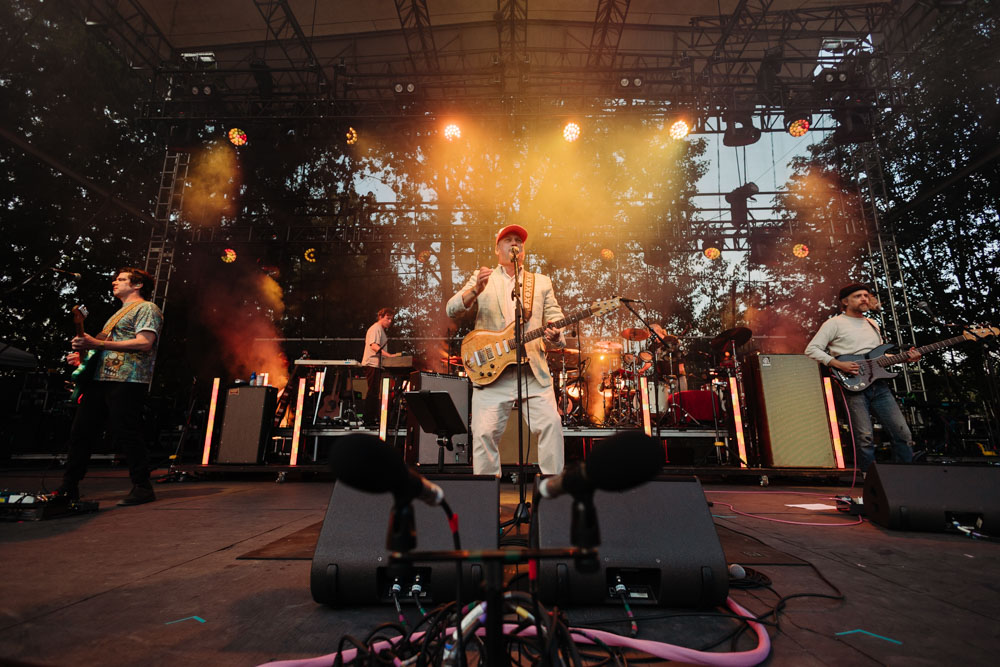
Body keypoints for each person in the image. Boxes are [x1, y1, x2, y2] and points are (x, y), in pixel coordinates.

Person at [446, 224, 566, 476]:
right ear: (497, 248)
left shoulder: (540, 282)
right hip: (492, 371)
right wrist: (475, 290)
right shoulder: (482, 277)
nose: (514, 244)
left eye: (518, 241)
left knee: (552, 425)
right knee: (483, 435)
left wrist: (557, 335)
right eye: (508, 240)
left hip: (532, 371)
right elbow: (451, 309)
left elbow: (555, 317)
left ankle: (552, 491)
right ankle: (486, 495)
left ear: (523, 250)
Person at [54, 267, 164, 505]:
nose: (115, 282)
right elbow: (105, 347)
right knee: (81, 432)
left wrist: (97, 344)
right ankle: (69, 486)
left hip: (128, 379)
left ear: (138, 285)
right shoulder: (117, 314)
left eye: (122, 279)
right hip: (101, 379)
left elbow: (145, 343)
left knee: (127, 431)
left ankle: (142, 487)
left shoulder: (147, 308)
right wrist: (83, 358)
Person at [804, 283, 920, 473]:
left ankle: (905, 476)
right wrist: (837, 363)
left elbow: (878, 357)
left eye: (866, 295)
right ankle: (868, 478)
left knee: (902, 433)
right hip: (852, 385)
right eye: (858, 296)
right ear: (845, 301)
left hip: (879, 385)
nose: (864, 299)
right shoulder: (834, 323)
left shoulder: (872, 324)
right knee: (864, 436)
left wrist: (906, 358)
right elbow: (811, 349)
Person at [361, 307, 399, 427]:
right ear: (380, 317)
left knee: (374, 391)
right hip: (372, 363)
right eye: (388, 318)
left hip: (377, 364)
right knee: (372, 391)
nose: (390, 321)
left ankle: (371, 418)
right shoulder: (376, 328)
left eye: (391, 319)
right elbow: (374, 346)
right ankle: (368, 419)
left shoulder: (381, 330)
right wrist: (389, 356)